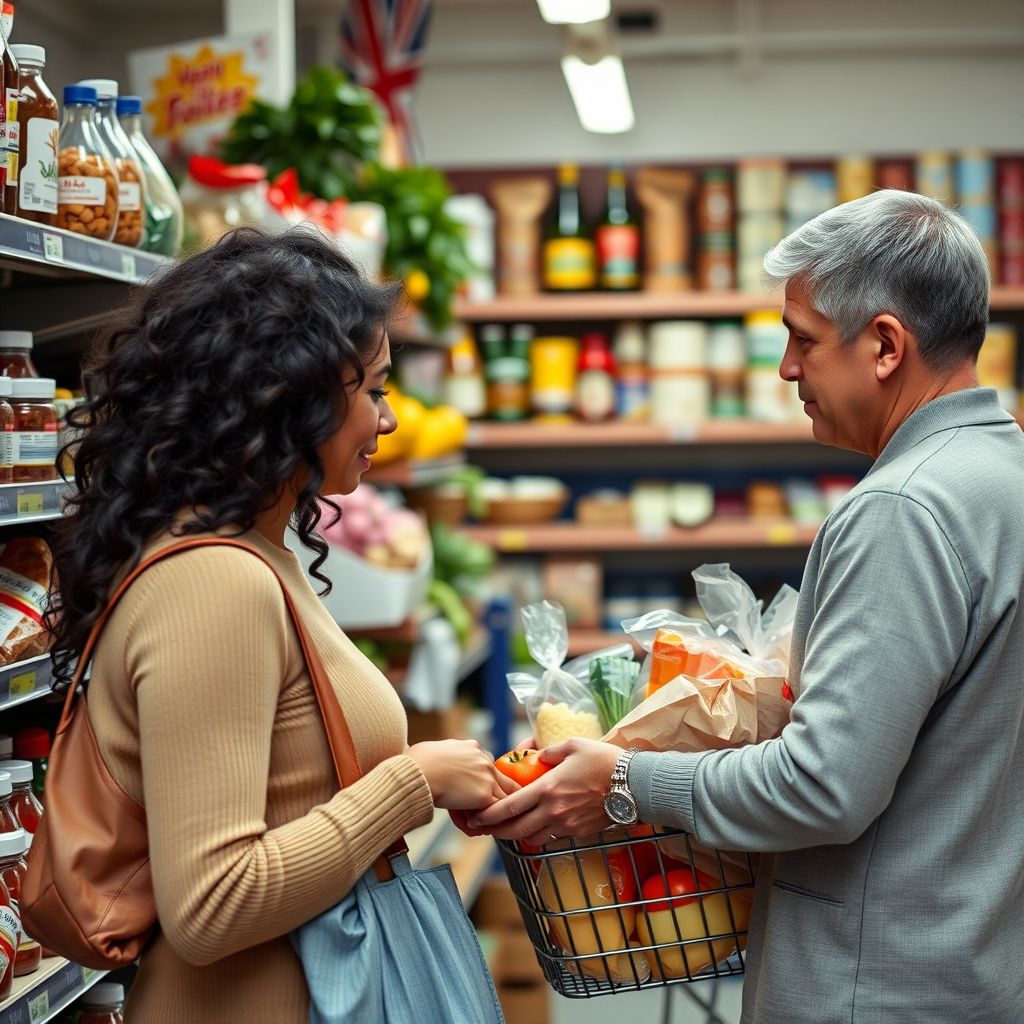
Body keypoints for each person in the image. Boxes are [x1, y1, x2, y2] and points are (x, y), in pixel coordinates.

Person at [468, 190, 1024, 1023]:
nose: (786, 369)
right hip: (970, 967)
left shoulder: (902, 509)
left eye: (802, 340)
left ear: (883, 345)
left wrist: (624, 781)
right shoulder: (1003, 476)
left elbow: (825, 789)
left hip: (871, 992)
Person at [46, 227, 515, 1023]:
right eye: (373, 391)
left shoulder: (258, 552)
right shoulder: (213, 581)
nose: (390, 421)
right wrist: (413, 783)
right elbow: (213, 904)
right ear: (289, 396)